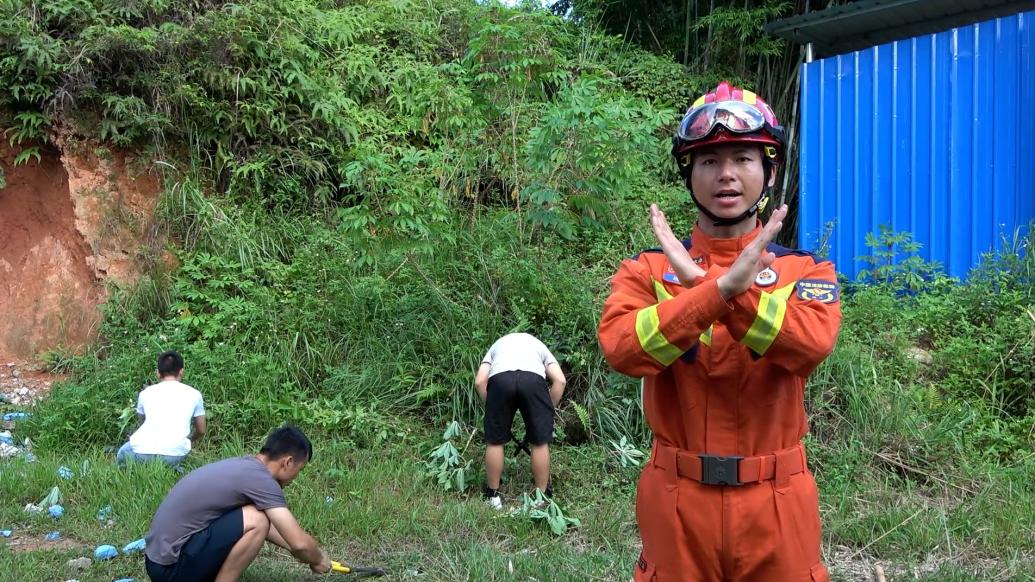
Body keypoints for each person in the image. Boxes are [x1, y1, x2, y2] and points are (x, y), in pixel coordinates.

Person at [598, 81, 842, 581]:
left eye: (742, 159)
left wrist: (709, 289)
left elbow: (810, 345)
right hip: (676, 499)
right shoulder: (646, 270)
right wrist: (716, 291)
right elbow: (623, 349)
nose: (726, 174)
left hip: (778, 499)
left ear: (769, 170)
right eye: (708, 161)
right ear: (689, 174)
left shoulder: (807, 271)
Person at [144, 425, 332, 581]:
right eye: (299, 470)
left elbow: (287, 538)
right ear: (288, 462)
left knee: (257, 517)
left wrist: (304, 553)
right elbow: (299, 543)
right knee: (257, 520)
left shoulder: (245, 468)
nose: (294, 478)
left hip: (158, 562)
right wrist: (317, 558)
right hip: (171, 569)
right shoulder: (262, 480)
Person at [475, 332, 567, 509]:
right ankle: (541, 496)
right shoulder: (538, 344)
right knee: (540, 442)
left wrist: (494, 408)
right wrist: (547, 409)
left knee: (495, 441)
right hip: (532, 380)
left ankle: (493, 496)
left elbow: (480, 382)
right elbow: (560, 381)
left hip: (500, 380)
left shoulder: (497, 345)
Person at [117, 350, 205, 468]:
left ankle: (134, 471)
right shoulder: (195, 394)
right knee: (168, 461)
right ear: (182, 372)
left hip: (141, 451)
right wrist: (189, 440)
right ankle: (172, 468)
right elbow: (201, 430)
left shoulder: (146, 393)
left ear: (158, 373)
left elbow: (143, 422)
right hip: (175, 454)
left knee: (123, 453)